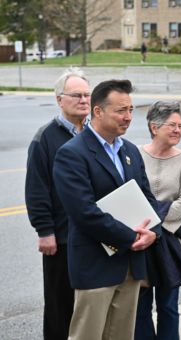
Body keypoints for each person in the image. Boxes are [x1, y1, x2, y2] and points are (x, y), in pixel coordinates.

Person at [53, 79, 161, 340]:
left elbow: (147, 198)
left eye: (131, 110)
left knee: (121, 335)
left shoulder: (131, 151)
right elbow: (83, 212)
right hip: (95, 265)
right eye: (120, 110)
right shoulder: (72, 154)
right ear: (98, 111)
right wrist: (131, 237)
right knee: (87, 335)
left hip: (131, 264)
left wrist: (153, 232)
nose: (128, 117)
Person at [25, 66, 90, 340]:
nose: (84, 100)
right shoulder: (45, 138)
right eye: (76, 95)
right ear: (59, 99)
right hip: (60, 239)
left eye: (88, 95)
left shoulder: (95, 135)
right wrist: (45, 231)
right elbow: (37, 189)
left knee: (88, 306)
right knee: (59, 304)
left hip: (93, 236)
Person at [135, 101, 181, 339]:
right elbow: (130, 195)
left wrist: (148, 216)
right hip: (140, 244)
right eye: (172, 125)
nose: (178, 130)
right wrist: (150, 218)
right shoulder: (135, 154)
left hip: (172, 245)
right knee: (140, 309)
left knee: (169, 308)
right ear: (154, 126)